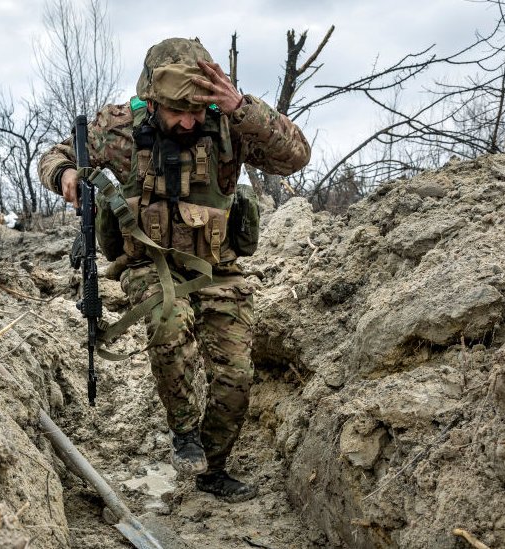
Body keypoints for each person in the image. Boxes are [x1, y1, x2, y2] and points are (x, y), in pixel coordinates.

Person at [38, 37, 310, 503]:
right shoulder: (120, 130)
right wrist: (64, 174)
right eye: (177, 111)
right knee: (169, 319)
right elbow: (54, 156)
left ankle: (214, 467)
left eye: (197, 110)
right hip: (148, 263)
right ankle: (184, 431)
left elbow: (296, 156)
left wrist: (243, 108)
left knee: (236, 375)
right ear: (152, 100)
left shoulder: (229, 123)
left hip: (217, 269)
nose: (189, 121)